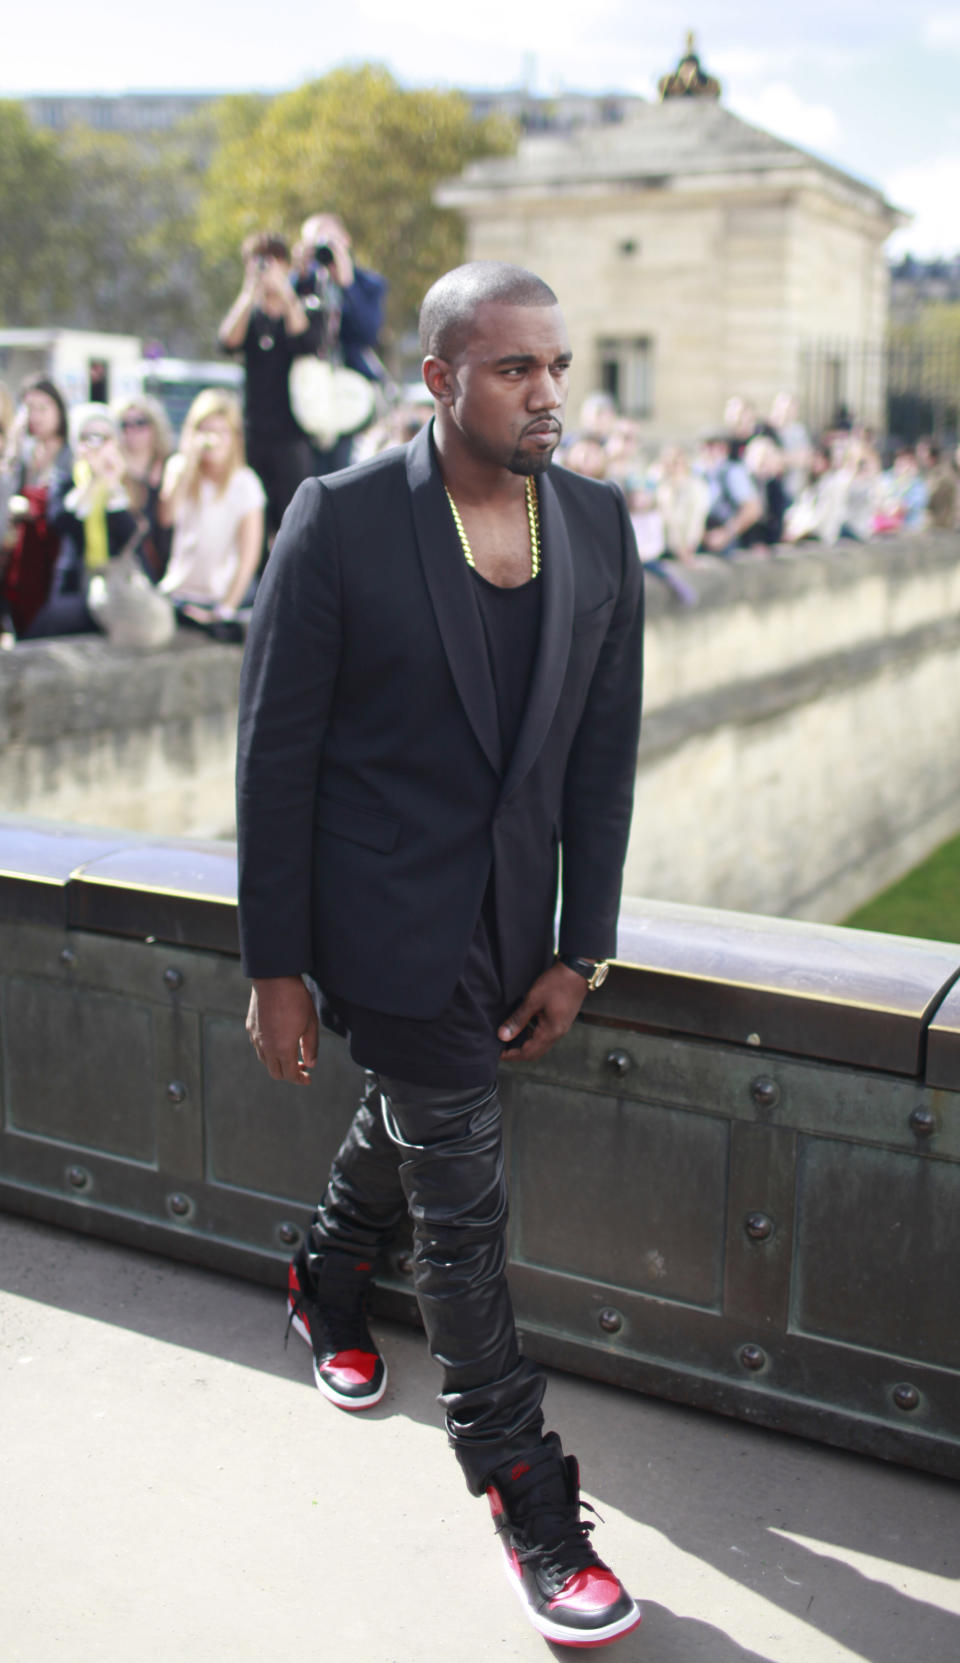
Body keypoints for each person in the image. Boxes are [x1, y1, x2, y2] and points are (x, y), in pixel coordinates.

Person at [237, 260, 644, 1648]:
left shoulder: (595, 522)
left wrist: (584, 945)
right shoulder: (338, 520)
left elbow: (601, 754)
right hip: (378, 918)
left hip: (515, 922)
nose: (548, 392)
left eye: (559, 367)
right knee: (464, 1201)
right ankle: (524, 1486)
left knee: (420, 1120)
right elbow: (274, 755)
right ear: (438, 378)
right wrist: (274, 964)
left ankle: (323, 1277)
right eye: (516, 367)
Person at [218, 232, 324, 545]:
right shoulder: (249, 314)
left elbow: (306, 342)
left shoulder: (306, 307)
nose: (266, 270)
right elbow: (226, 343)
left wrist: (285, 294)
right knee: (254, 514)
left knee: (293, 515)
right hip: (254, 429)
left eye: (273, 261)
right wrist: (248, 293)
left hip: (293, 429)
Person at [25, 404, 142, 639]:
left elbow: (128, 535)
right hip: (72, 581)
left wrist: (111, 483)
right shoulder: (66, 478)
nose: (96, 444)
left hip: (112, 586)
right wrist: (91, 483)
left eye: (103, 437)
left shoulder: (125, 481)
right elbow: (59, 522)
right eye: (88, 436)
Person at [158, 389, 265, 641]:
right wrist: (186, 469)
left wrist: (225, 609)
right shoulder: (178, 468)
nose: (212, 439)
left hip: (217, 596)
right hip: (179, 591)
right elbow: (165, 518)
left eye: (221, 432)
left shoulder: (245, 483)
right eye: (205, 430)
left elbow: (250, 555)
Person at [1, 374, 72, 636]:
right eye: (30, 408)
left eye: (43, 407)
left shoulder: (71, 454)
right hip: (23, 556)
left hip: (53, 559)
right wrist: (13, 446)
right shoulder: (26, 452)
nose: (36, 416)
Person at [113, 394, 174, 581]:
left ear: (156, 427)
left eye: (140, 422)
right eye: (125, 424)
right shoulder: (113, 471)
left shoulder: (172, 467)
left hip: (169, 567)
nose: (132, 430)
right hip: (130, 572)